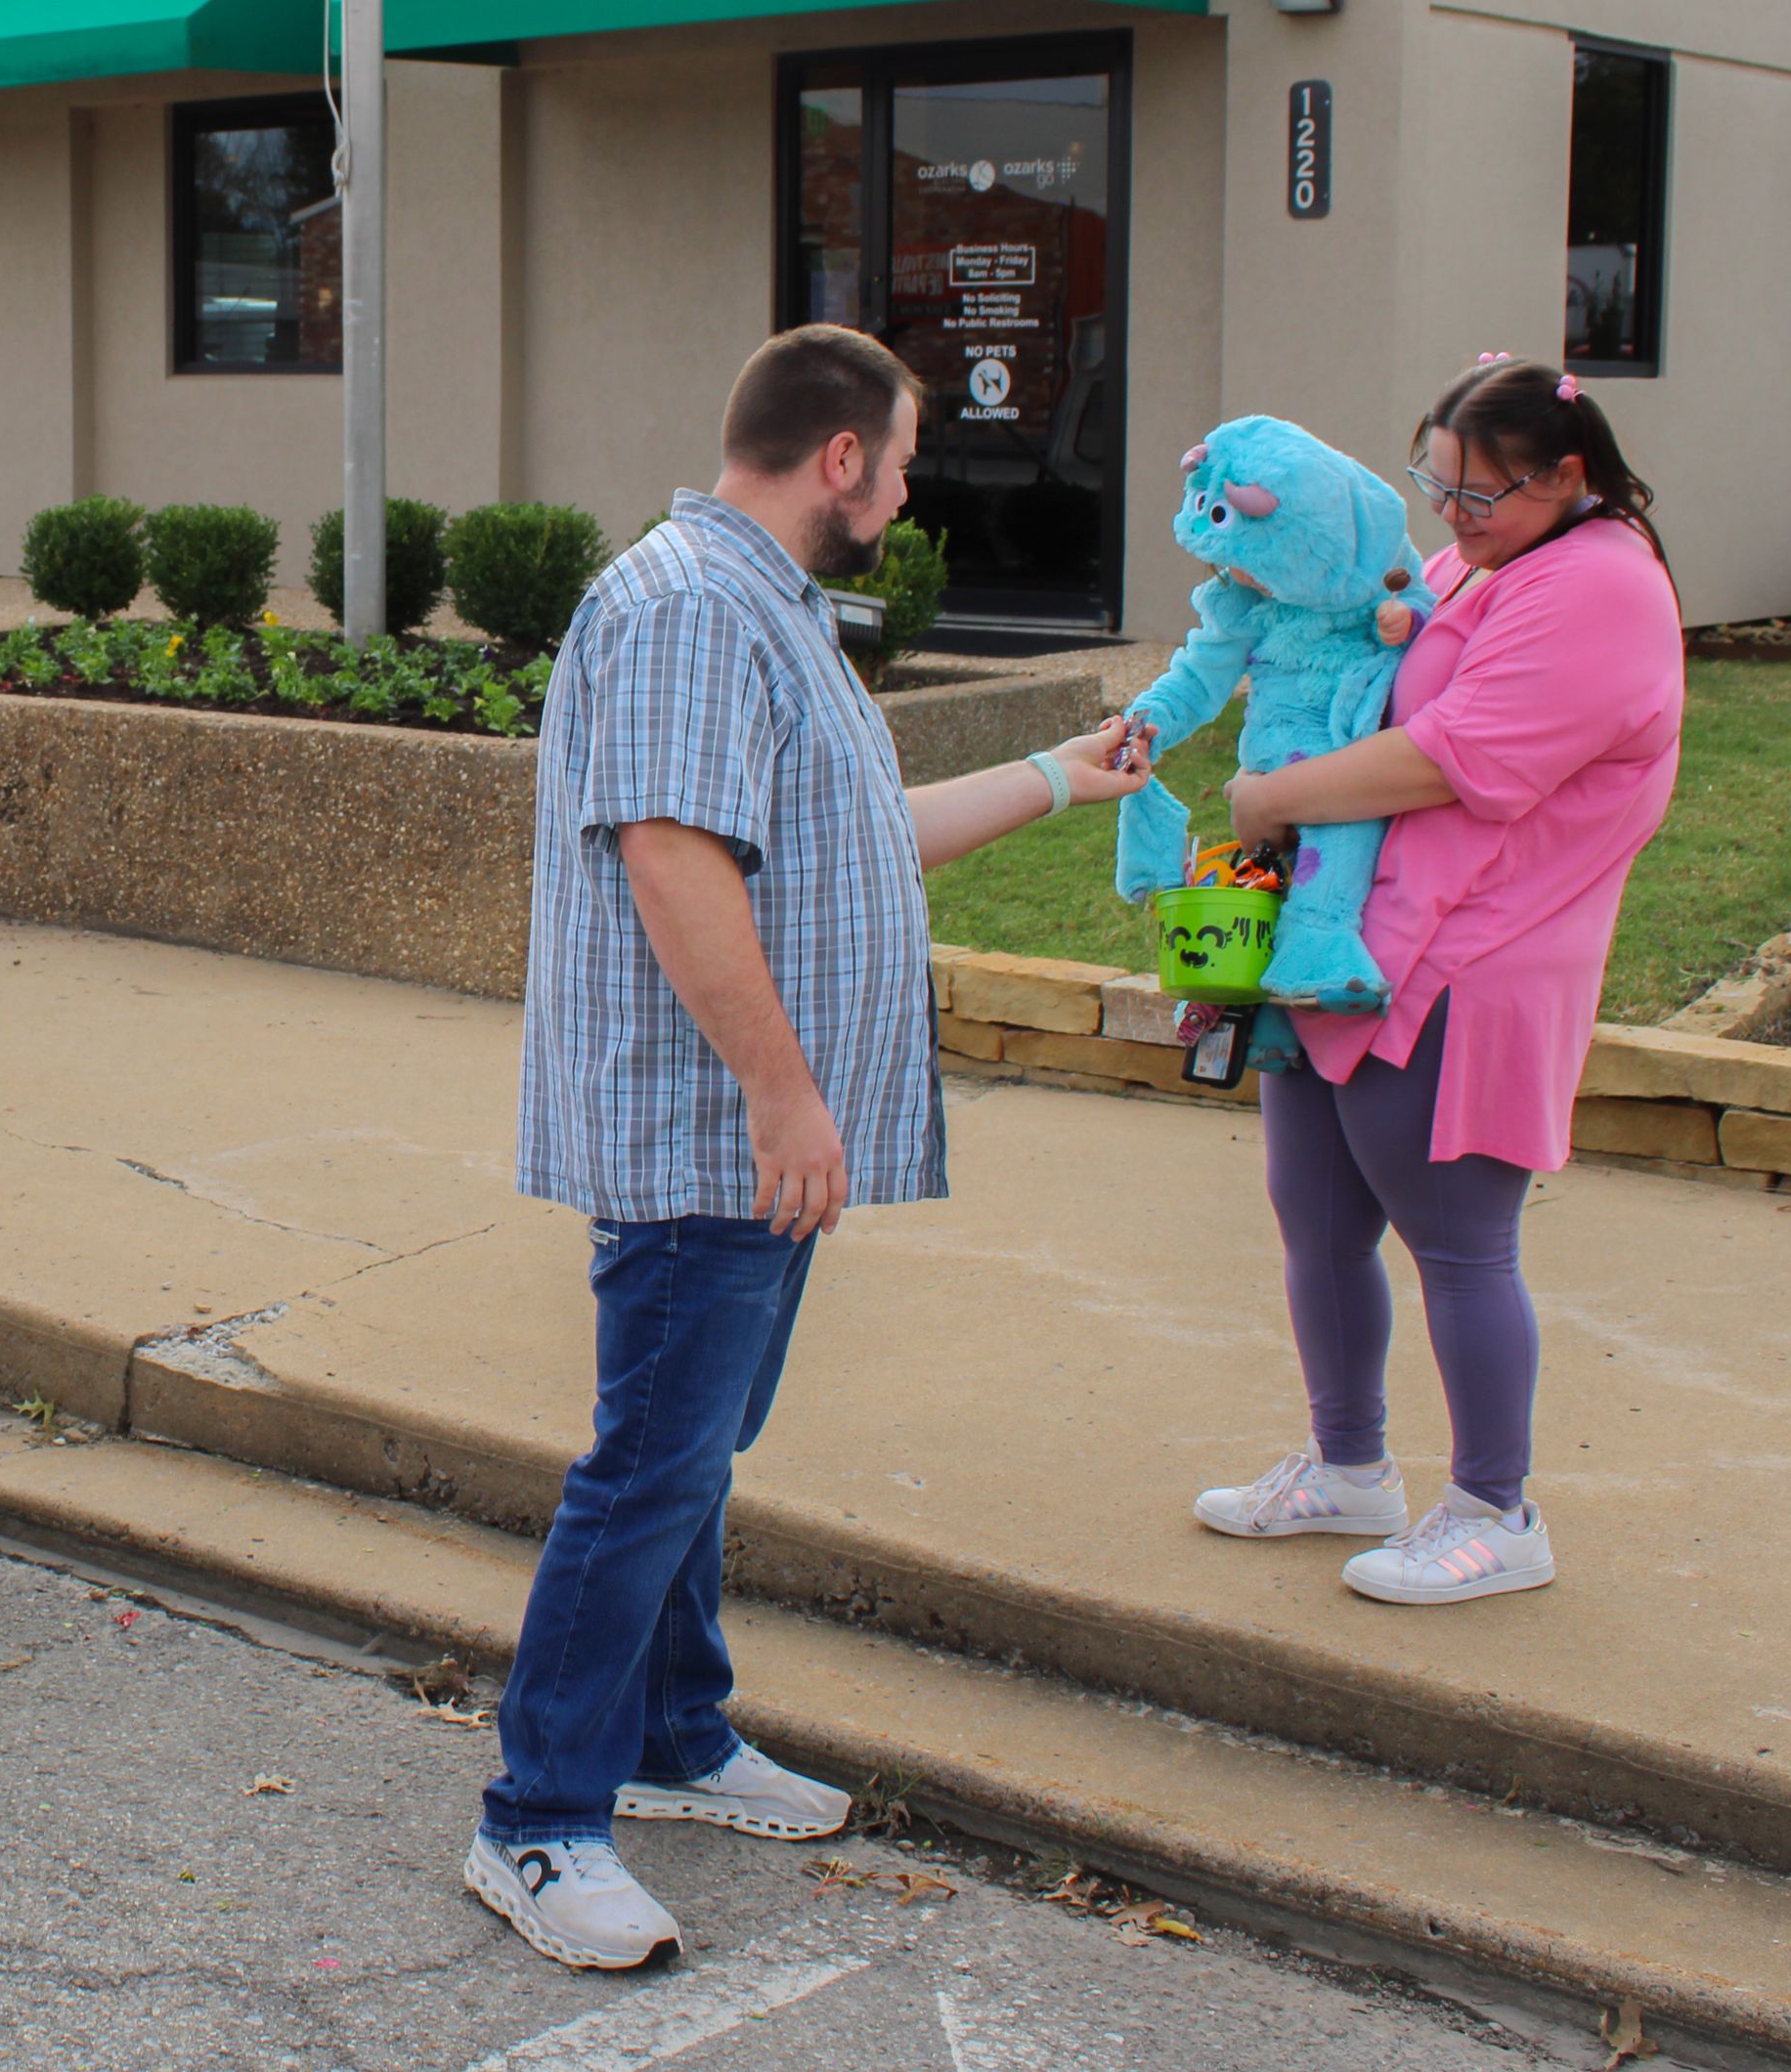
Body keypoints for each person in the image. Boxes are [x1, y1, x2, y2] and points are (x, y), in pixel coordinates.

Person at [470, 324, 1156, 1972]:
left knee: (689, 1455)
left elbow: (852, 829)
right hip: (711, 1134)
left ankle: (678, 1736)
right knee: (648, 1467)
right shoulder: (691, 609)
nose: (912, 492)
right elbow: (676, 859)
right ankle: (538, 1823)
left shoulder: (759, 609)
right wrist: (783, 1092)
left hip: (755, 1140)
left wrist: (1061, 778)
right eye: (905, 461)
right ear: (840, 457)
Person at [1186, 355, 1682, 1606]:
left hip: (1475, 959)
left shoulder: (1605, 585)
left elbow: (1457, 756)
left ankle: (1495, 1509)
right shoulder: (1484, 561)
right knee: (1318, 1214)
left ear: (1568, 476)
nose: (1450, 518)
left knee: (1458, 1243)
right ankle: (1349, 1467)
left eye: (1480, 493)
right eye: (1438, 487)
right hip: (1351, 939)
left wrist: (1271, 797)